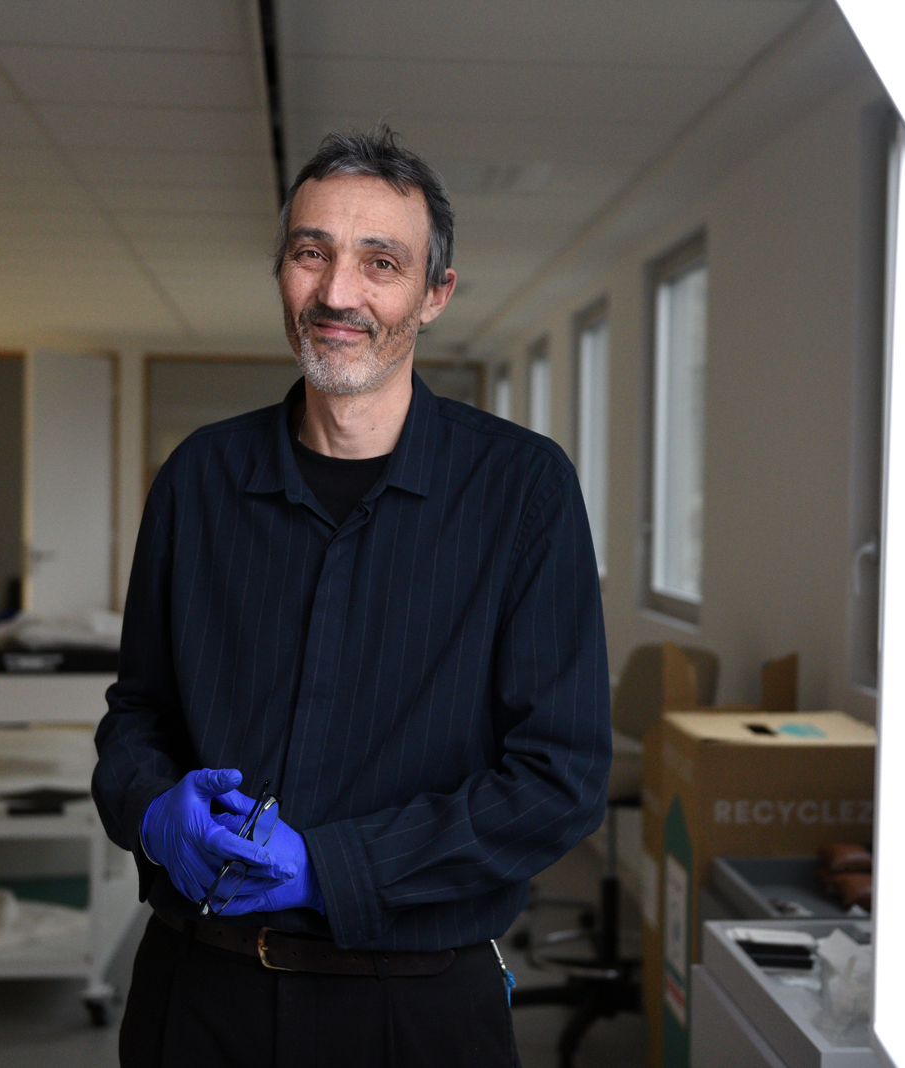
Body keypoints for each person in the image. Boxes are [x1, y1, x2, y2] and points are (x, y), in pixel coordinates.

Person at [93, 126, 611, 1068]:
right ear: (284, 273)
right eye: (311, 254)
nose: (339, 293)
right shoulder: (199, 479)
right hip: (197, 998)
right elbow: (136, 717)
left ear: (434, 294)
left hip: (414, 1012)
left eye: (382, 263)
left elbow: (558, 781)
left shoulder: (521, 491)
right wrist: (155, 811)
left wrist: (330, 869)